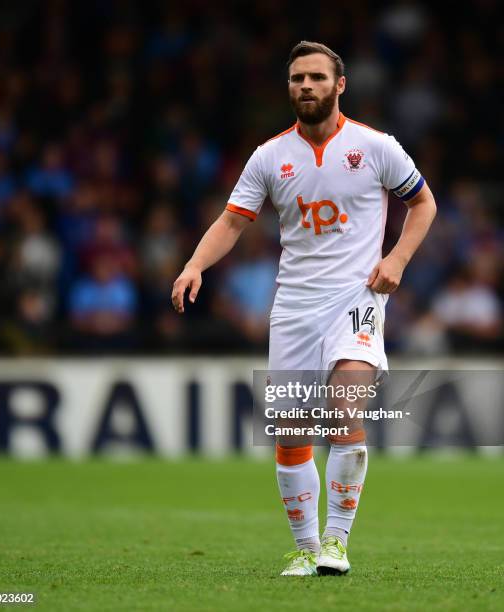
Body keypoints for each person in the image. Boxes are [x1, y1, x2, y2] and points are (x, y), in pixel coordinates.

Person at [172, 41, 436, 577]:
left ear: (340, 85)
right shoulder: (270, 156)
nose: (306, 86)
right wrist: (194, 265)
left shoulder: (377, 147)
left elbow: (423, 202)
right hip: (293, 305)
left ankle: (337, 541)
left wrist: (398, 258)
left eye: (317, 77)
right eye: (297, 79)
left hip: (355, 297)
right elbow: (231, 222)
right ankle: (304, 546)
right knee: (292, 432)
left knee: (345, 408)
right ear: (289, 87)